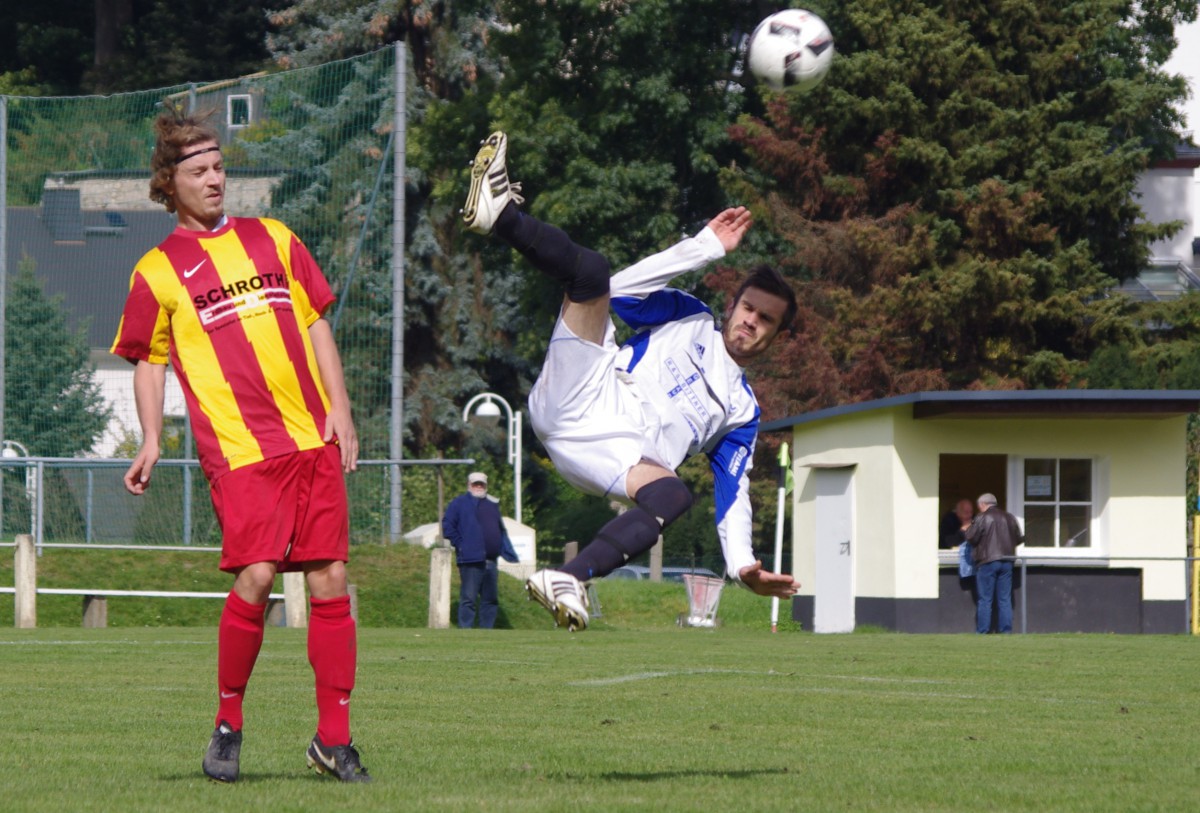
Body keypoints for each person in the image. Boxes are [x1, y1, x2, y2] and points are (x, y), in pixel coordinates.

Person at [111, 104, 369, 782]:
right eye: (199, 171)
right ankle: (229, 722)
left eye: (220, 166)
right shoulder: (157, 271)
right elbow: (148, 360)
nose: (215, 179)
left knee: (330, 576)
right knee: (257, 575)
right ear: (170, 183)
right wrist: (150, 439)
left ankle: (334, 739)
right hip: (240, 452)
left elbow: (315, 326)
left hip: (311, 439)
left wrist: (340, 410)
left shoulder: (275, 239)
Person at [462, 131, 801, 631]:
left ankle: (568, 579)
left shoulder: (742, 411)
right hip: (586, 393)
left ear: (775, 337)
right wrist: (703, 246)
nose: (751, 321)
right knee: (592, 273)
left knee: (674, 497)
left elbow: (734, 492)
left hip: (614, 458)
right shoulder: (689, 316)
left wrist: (743, 563)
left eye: (766, 320)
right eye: (748, 308)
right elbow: (618, 291)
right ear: (734, 306)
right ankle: (501, 216)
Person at [442, 472, 507, 628]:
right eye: (475, 484)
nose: (478, 487)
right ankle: (466, 630)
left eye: (481, 484)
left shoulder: (492, 505)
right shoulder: (458, 504)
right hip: (470, 560)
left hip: (491, 560)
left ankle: (486, 631)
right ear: (468, 485)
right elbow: (447, 527)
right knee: (468, 598)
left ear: (486, 486)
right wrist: (462, 544)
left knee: (490, 599)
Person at [963, 493, 1022, 634]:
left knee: (985, 599)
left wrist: (970, 525)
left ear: (983, 504)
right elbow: (1019, 538)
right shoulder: (1010, 517)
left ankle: (983, 630)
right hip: (1007, 560)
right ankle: (1006, 631)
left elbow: (970, 537)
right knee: (1004, 598)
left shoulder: (982, 517)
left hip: (987, 561)